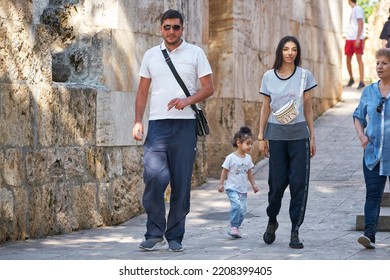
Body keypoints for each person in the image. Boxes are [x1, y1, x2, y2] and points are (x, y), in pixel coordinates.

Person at [132, 9, 214, 252]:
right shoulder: (150, 55)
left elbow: (208, 88)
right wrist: (138, 120)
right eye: (167, 27)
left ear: (182, 29)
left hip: (185, 125)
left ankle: (175, 235)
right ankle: (154, 231)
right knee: (154, 178)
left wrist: (187, 101)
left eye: (176, 27)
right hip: (157, 124)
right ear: (161, 29)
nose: (171, 31)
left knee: (181, 182)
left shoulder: (195, 53)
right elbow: (142, 92)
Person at [258, 35, 317, 249]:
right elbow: (265, 107)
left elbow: (309, 107)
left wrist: (312, 136)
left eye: (294, 49)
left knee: (299, 184)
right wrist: (260, 137)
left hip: (299, 136)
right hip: (276, 136)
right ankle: (272, 219)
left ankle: (295, 230)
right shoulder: (268, 77)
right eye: (285, 49)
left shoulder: (305, 76)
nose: (290, 53)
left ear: (298, 52)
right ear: (280, 52)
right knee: (276, 186)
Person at [353, 48, 390, 249]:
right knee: (373, 195)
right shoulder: (369, 92)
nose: (379, 67)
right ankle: (369, 235)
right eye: (378, 63)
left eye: (384, 63)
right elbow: (358, 116)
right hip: (373, 154)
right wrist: (362, 136)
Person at [218, 126, 259, 238]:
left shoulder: (248, 158)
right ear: (239, 143)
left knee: (243, 210)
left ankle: (236, 227)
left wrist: (253, 184)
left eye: (251, 143)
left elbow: (249, 172)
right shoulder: (230, 158)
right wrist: (221, 184)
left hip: (243, 189)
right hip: (232, 187)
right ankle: (233, 227)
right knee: (236, 206)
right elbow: (224, 171)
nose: (250, 146)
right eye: (248, 143)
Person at [345, 0, 365, 90]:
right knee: (348, 58)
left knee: (359, 59)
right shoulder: (353, 10)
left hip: (356, 38)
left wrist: (358, 38)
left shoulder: (358, 9)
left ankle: (361, 81)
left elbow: (361, 23)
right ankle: (351, 78)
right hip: (349, 38)